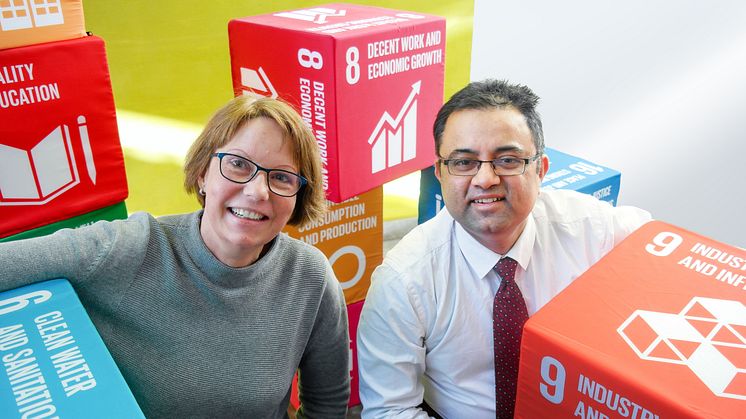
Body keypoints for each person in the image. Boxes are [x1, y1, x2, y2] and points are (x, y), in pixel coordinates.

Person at [0, 95, 350, 418]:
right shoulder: (133, 247)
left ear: (297, 197)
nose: (258, 191)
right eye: (239, 165)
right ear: (202, 174)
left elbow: (327, 407)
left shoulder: (310, 277)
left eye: (282, 178)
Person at [356, 79, 652, 418]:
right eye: (464, 163)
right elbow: (390, 411)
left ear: (540, 170)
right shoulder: (404, 280)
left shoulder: (592, 229)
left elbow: (673, 258)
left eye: (507, 160)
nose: (485, 179)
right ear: (440, 173)